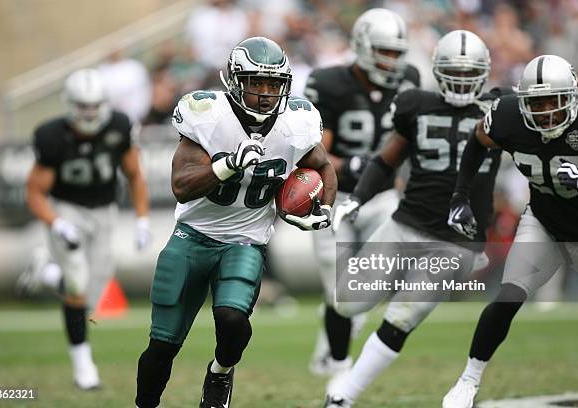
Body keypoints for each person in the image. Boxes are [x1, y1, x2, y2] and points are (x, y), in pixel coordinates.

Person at [134, 36, 337, 408]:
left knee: (231, 319)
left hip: (245, 240)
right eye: (256, 82)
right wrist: (227, 164)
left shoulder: (297, 123)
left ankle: (220, 373)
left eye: (273, 84)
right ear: (235, 81)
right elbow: (181, 186)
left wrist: (322, 210)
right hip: (193, 236)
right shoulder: (208, 116)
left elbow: (323, 167)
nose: (264, 93)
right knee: (162, 344)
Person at [326, 30, 503, 407]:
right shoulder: (415, 105)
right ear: (437, 72)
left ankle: (342, 396)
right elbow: (387, 160)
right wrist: (357, 198)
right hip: (405, 223)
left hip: (456, 239)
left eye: (469, 72)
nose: (461, 80)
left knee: (401, 316)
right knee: (346, 302)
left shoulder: (498, 111)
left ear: (485, 72)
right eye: (453, 72)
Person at [443, 54, 578, 408]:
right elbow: (478, 141)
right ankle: (468, 380)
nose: (545, 112)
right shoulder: (507, 117)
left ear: (572, 97)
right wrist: (460, 194)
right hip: (545, 224)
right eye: (536, 103)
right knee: (508, 296)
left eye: (554, 102)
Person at [303, 7, 420, 380]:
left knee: (379, 276)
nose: (392, 60)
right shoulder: (329, 83)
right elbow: (312, 154)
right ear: (362, 47)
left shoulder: (409, 81)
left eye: (397, 52)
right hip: (331, 195)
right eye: (384, 51)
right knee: (339, 289)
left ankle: (335, 348)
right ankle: (336, 362)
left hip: (380, 196)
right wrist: (351, 164)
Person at [21, 68, 151, 389]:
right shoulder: (52, 136)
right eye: (83, 105)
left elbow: (134, 174)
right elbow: (35, 192)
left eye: (94, 105)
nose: (89, 113)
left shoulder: (119, 126)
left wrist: (142, 218)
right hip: (68, 208)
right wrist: (58, 221)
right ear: (69, 104)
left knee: (92, 291)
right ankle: (84, 368)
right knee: (77, 286)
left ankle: (47, 273)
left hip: (105, 211)